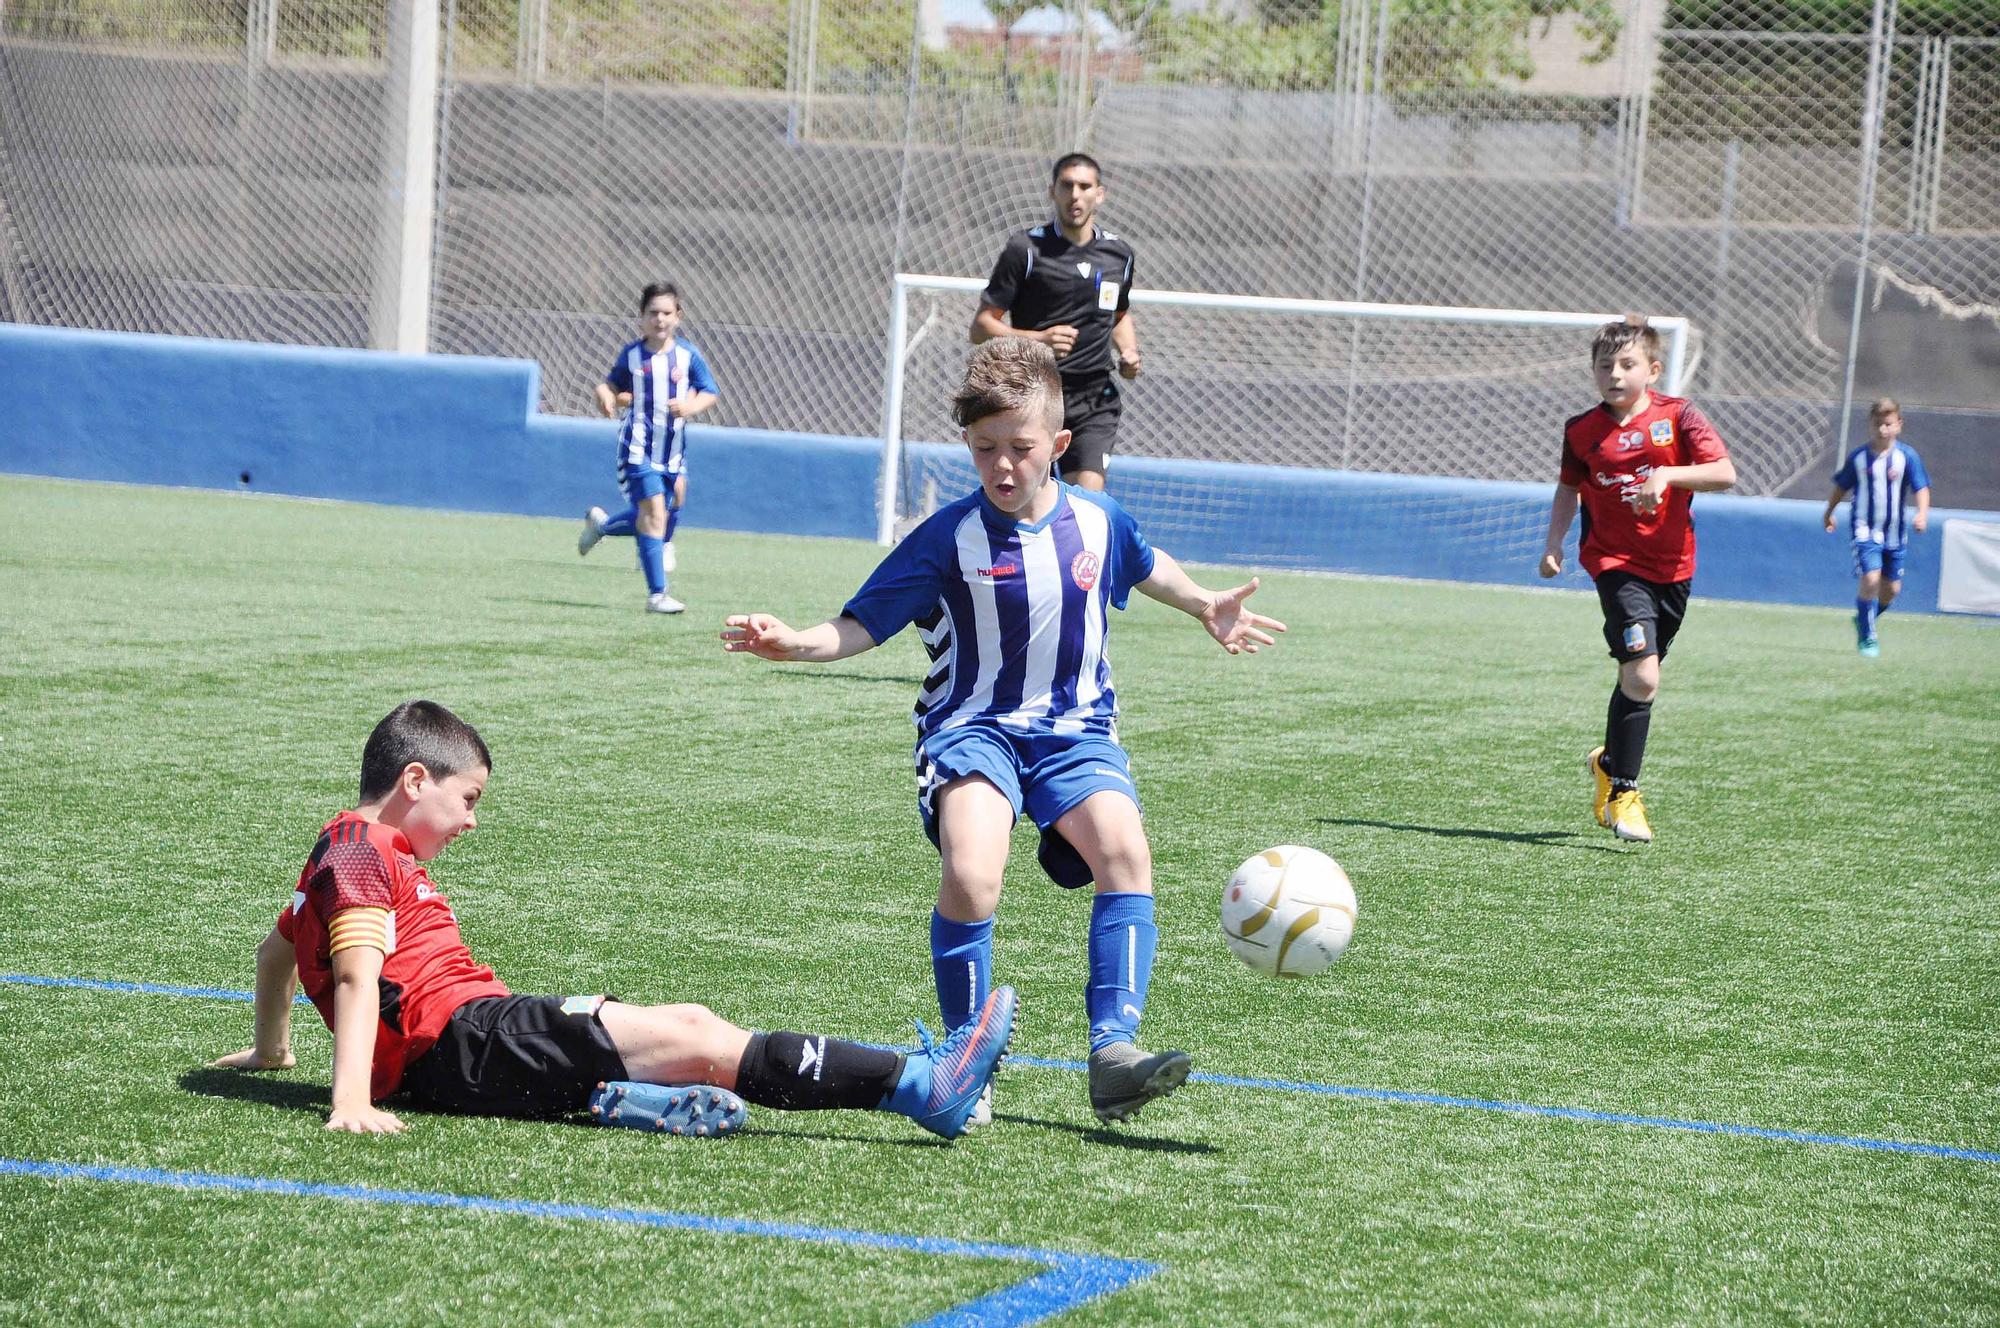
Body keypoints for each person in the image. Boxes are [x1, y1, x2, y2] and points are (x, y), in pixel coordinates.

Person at [721, 339, 1283, 1124]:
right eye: (986, 450)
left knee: (1125, 851)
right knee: (975, 872)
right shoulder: (946, 537)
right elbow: (861, 625)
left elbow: (1146, 563)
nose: (1003, 466)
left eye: (1020, 449)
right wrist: (796, 642)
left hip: (1076, 732)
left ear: (1057, 445)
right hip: (971, 730)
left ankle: (1113, 1053)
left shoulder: (1097, 521)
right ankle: (964, 1063)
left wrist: (1203, 605)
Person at [211, 700, 1015, 1140]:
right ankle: (921, 1086)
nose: (471, 821)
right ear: (414, 779)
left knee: (665, 1043)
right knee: (697, 1032)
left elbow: (275, 952)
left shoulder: (336, 857)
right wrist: (348, 1096)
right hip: (465, 1037)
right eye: (467, 800)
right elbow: (353, 974)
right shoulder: (361, 849)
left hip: (462, 1055)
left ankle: (612, 1094)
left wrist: (275, 1047)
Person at [1538, 317, 1737, 844]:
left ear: (1652, 370)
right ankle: (1625, 792)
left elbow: (1724, 471)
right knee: (1644, 677)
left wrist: (1667, 474)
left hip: (1674, 569)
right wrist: (1555, 542)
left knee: (1636, 678)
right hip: (1614, 564)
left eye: (1627, 365)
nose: (1615, 374)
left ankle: (1608, 762)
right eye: (1605, 366)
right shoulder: (1581, 430)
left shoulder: (1679, 417)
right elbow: (1568, 489)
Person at [970, 153, 1141, 492]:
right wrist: (1039, 339)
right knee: (1029, 498)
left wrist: (1129, 352)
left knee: (1089, 500)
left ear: (1099, 193)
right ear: (1053, 192)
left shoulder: (1119, 254)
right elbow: (981, 327)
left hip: (1094, 398)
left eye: (1084, 186)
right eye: (1067, 185)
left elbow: (1119, 314)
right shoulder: (1026, 250)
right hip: (1036, 393)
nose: (1075, 194)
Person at [576, 282, 719, 615]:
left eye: (666, 313)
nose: (659, 319)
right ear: (641, 318)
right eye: (652, 313)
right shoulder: (632, 355)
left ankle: (603, 527)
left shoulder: (687, 356)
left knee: (662, 509)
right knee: (654, 513)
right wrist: (605, 395)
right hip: (637, 449)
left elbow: (709, 391)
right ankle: (657, 593)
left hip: (672, 451)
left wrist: (689, 406)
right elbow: (610, 385)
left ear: (678, 317)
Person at [1822, 398, 1932, 657]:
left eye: (1888, 424)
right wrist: (1829, 513)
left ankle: (1864, 618)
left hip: (1895, 532)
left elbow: (1921, 488)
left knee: (1891, 590)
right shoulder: (1859, 458)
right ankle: (1868, 638)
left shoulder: (1907, 456)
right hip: (1865, 530)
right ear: (1870, 426)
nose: (1883, 429)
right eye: (1877, 424)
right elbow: (1841, 487)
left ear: (1898, 425)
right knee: (1870, 579)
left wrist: (1922, 514)